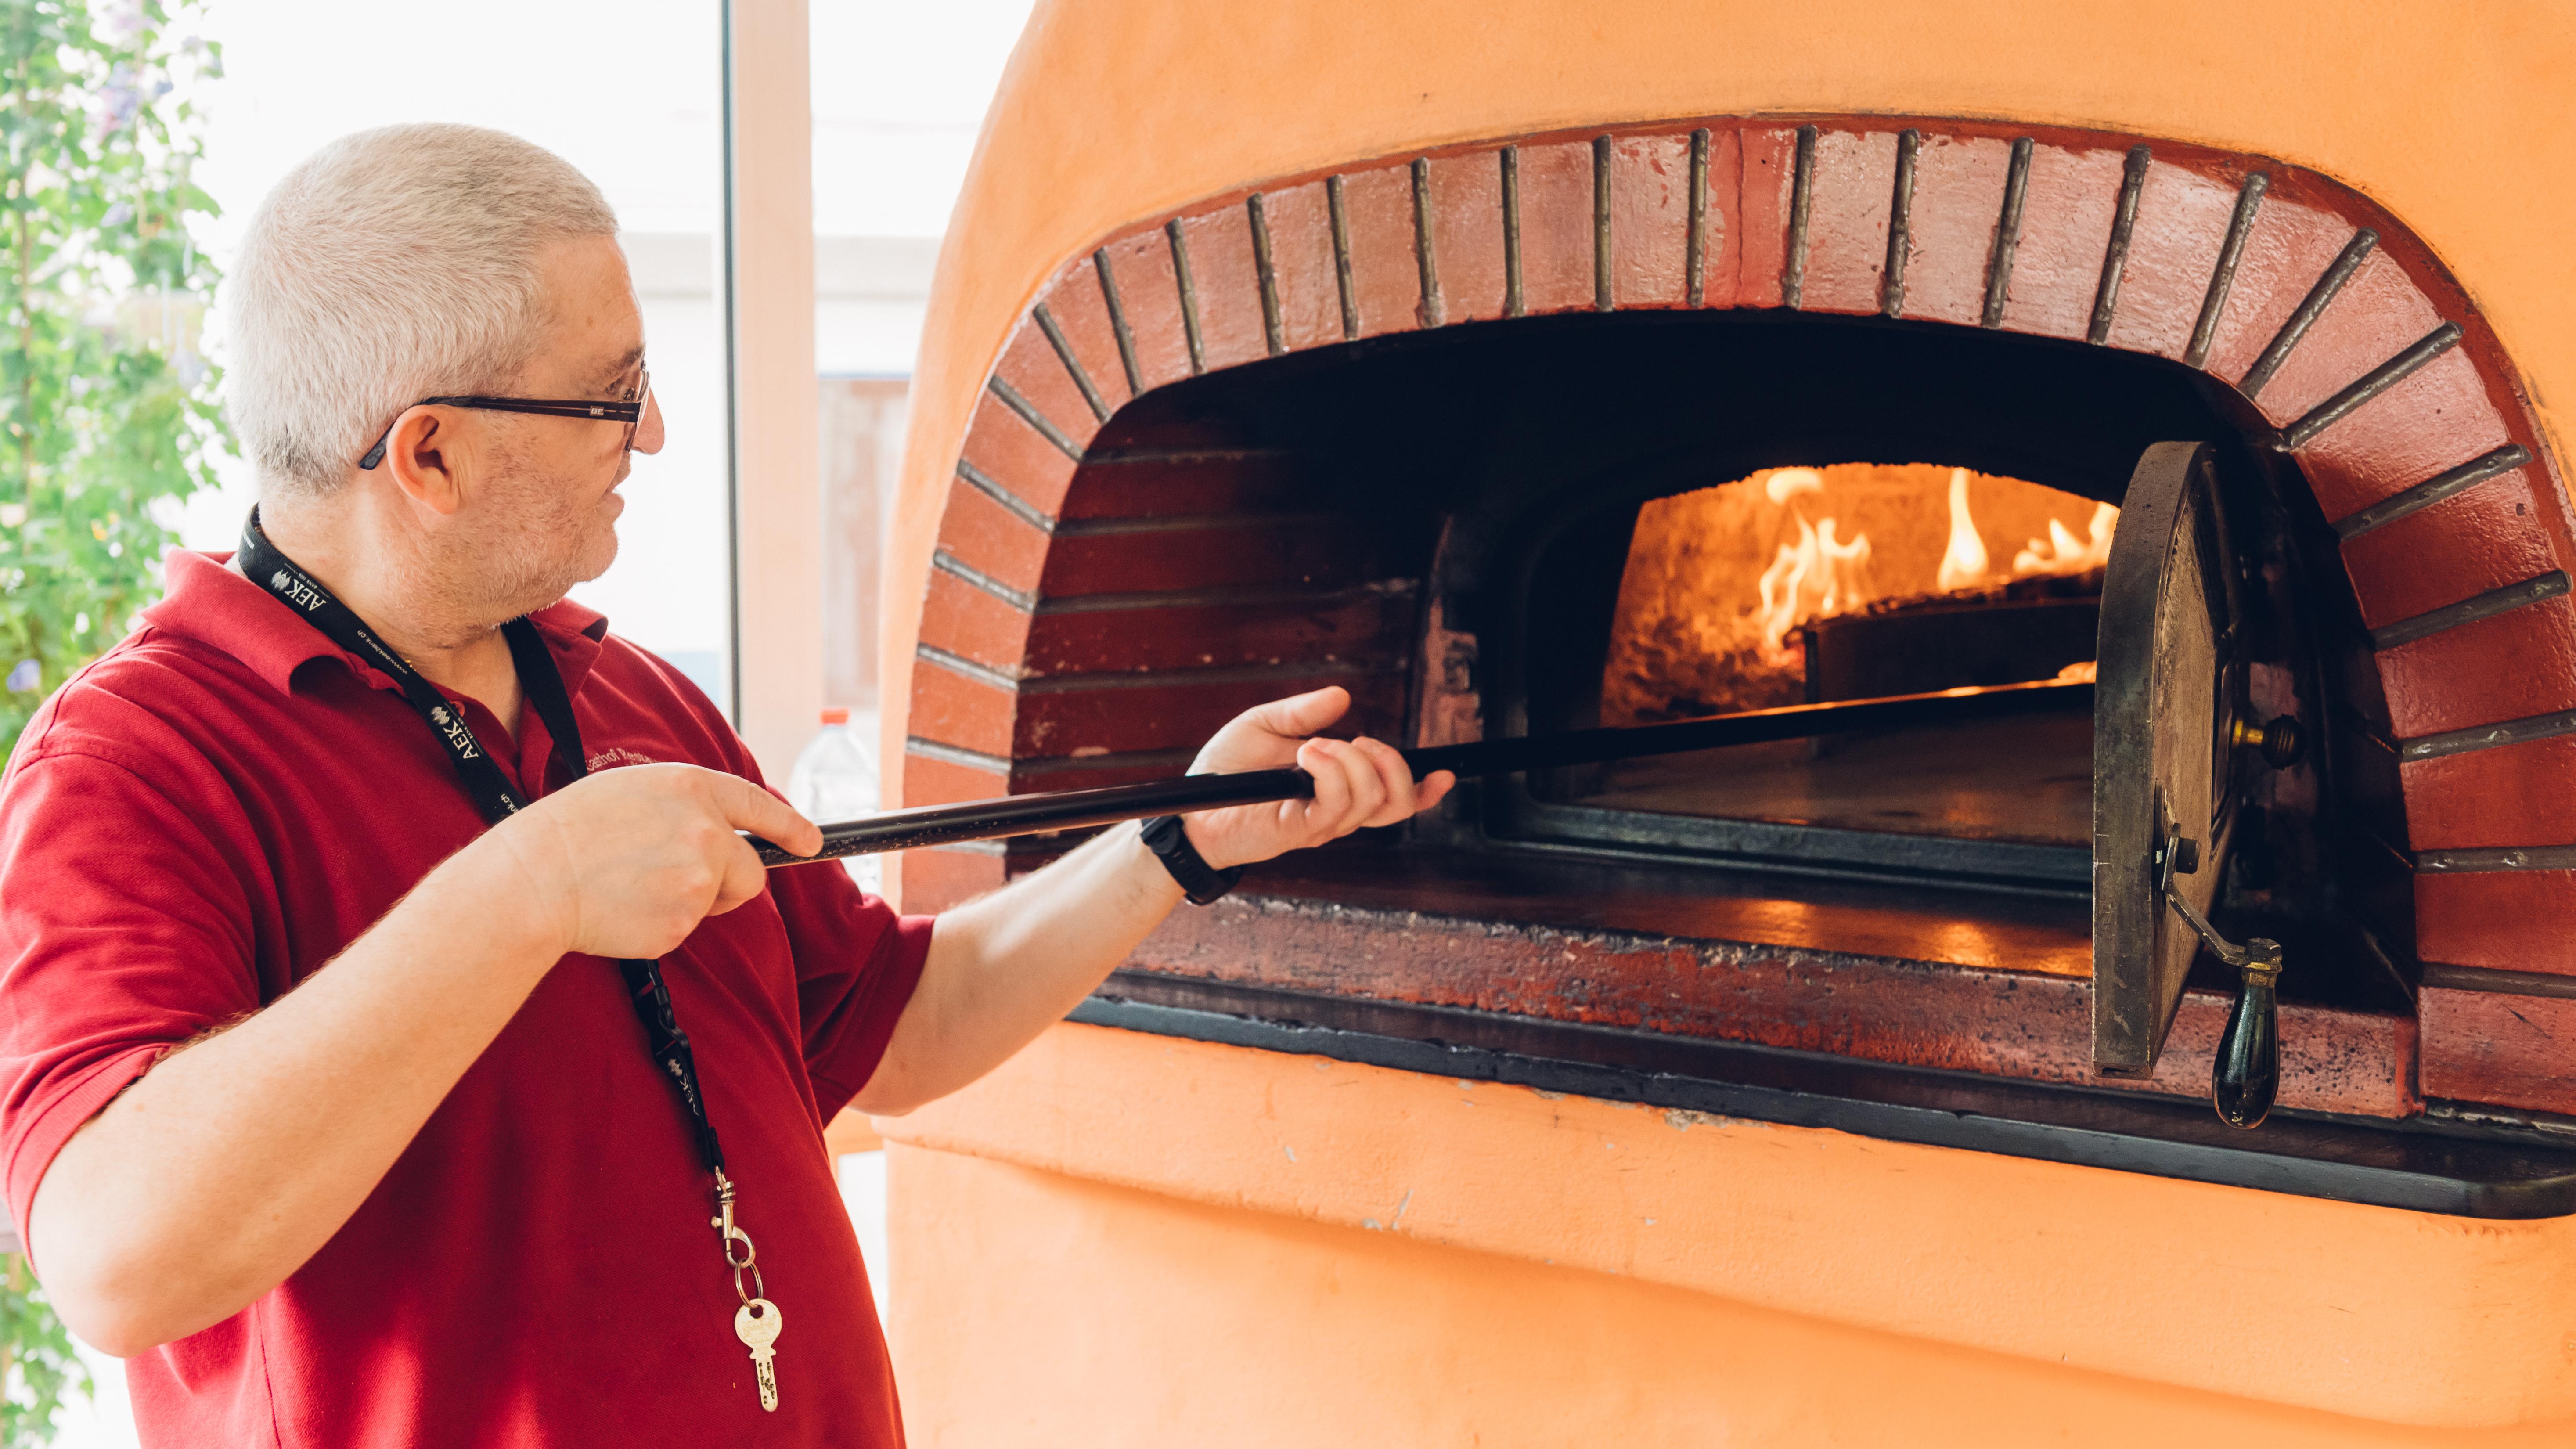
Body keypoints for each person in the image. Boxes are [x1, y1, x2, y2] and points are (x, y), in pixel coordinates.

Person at [0, 123, 1450, 1446]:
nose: (657, 437)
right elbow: (119, 1259)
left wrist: (1182, 837)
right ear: (427, 453)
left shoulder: (625, 693)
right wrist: (526, 891)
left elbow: (890, 1028)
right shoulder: (134, 763)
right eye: (613, 394)